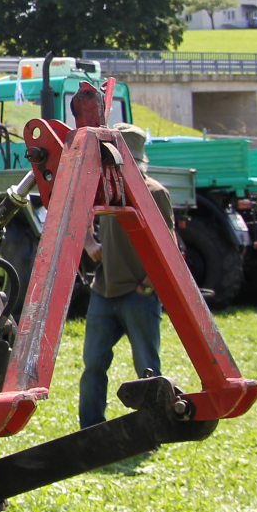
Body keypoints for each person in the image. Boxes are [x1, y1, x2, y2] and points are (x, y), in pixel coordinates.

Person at [78, 123, 173, 429]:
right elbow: (77, 216)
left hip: (137, 292)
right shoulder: (103, 188)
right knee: (93, 365)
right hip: (104, 290)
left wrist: (148, 285)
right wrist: (89, 242)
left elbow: (168, 244)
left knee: (146, 367)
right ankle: (90, 429)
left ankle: (153, 428)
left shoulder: (155, 192)